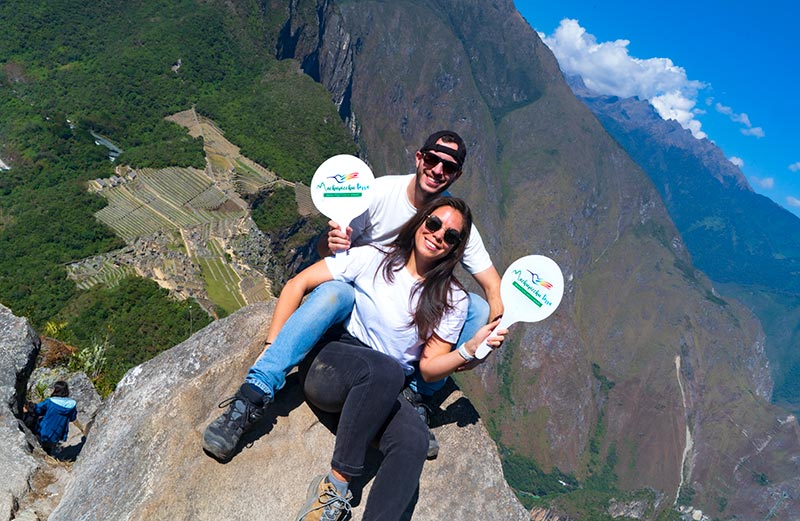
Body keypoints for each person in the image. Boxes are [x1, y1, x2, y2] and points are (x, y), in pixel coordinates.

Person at [205, 197, 505, 520]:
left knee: (414, 440)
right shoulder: (374, 258)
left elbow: (430, 369)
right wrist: (272, 346)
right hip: (332, 367)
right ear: (420, 222)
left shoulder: (453, 299)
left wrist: (468, 351)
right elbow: (300, 283)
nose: (438, 235)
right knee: (386, 369)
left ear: (455, 248)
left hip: (378, 394)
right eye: (434, 223)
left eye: (451, 236)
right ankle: (334, 488)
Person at [211, 130, 502, 459]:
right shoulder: (379, 193)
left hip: (402, 312)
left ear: (456, 175)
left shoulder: (453, 222)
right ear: (420, 158)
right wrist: (272, 346)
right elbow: (325, 253)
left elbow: (493, 286)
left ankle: (417, 396)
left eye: (448, 167)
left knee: (475, 309)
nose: (438, 170)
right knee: (337, 293)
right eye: (433, 160)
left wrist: (484, 342)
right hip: (355, 296)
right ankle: (254, 393)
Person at [24, 380, 77, 454]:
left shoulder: (50, 402)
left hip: (43, 432)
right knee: (47, 450)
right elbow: (72, 418)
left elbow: (37, 410)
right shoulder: (72, 404)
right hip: (58, 434)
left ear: (56, 390)